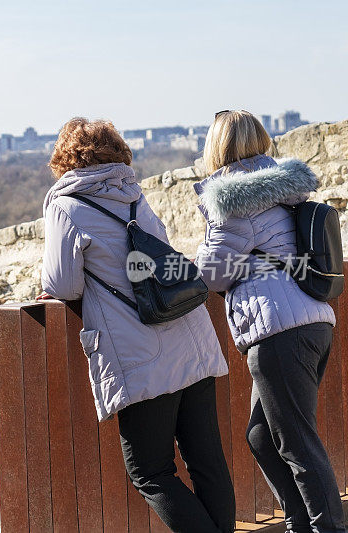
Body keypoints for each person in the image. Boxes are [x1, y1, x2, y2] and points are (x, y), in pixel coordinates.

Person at [40, 117, 235, 532]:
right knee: (207, 461)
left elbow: (63, 283)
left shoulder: (65, 206)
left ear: (65, 159)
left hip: (139, 355)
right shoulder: (134, 195)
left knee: (150, 471)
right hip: (189, 336)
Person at [195, 109, 345, 533]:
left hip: (278, 329)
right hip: (310, 320)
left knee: (297, 443)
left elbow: (213, 273)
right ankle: (302, 522)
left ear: (216, 148)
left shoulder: (235, 200)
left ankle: (325, 527)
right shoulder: (282, 186)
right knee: (262, 436)